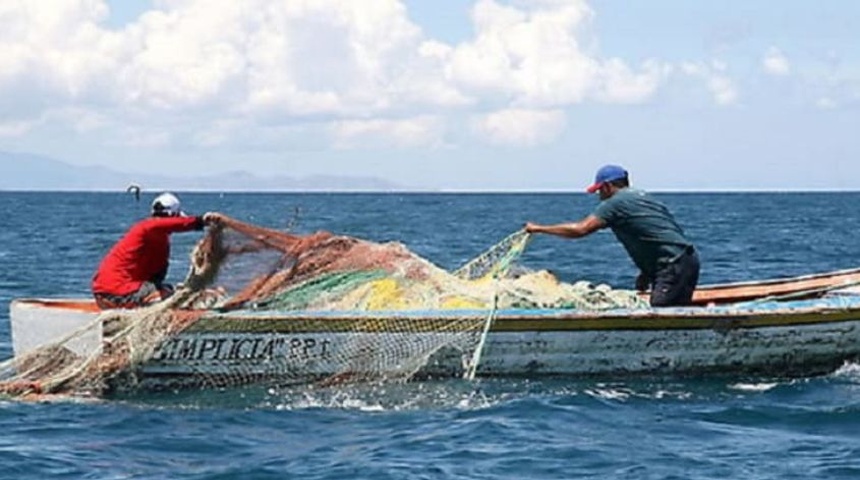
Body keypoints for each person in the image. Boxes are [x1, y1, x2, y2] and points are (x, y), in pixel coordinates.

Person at [524, 165, 700, 307]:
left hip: (672, 265)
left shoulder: (616, 203)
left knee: (662, 315)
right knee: (674, 309)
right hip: (686, 259)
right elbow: (659, 234)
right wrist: (646, 272)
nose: (599, 196)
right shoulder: (645, 198)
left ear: (607, 186)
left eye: (599, 191)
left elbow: (580, 229)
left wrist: (539, 228)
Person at [92, 192, 223, 309]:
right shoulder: (148, 227)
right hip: (114, 293)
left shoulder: (156, 238)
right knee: (167, 296)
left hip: (109, 292)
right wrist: (202, 221)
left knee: (168, 290)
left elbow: (156, 276)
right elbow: (174, 224)